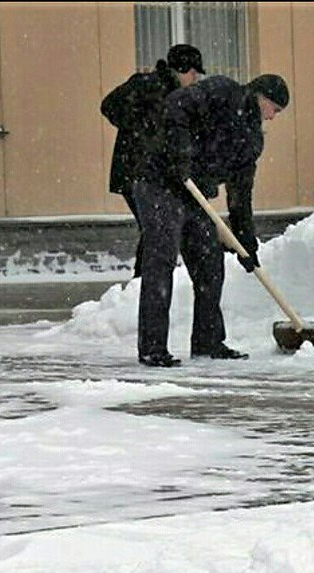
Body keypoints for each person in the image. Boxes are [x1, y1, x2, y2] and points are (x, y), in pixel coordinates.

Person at [132, 71, 290, 367]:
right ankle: (153, 347)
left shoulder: (251, 140)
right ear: (261, 96)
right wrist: (179, 153)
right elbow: (176, 105)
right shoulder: (222, 91)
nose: (273, 117)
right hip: (159, 180)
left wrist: (246, 241)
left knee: (210, 264)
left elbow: (240, 194)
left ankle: (208, 341)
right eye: (275, 109)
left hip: (194, 194)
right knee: (162, 258)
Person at [101, 44, 206, 280]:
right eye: (193, 72)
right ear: (180, 69)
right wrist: (140, 130)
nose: (195, 78)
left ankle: (143, 283)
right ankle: (144, 283)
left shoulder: (175, 94)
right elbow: (109, 106)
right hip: (136, 171)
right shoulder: (147, 85)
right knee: (155, 228)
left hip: (153, 172)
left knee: (154, 228)